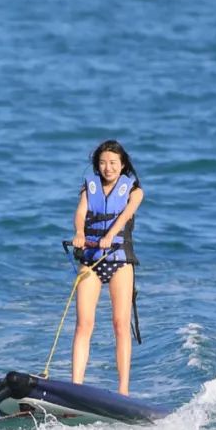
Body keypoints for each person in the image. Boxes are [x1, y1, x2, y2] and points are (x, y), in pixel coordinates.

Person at [71, 140, 144, 396]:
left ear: (122, 165)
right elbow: (80, 213)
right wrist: (80, 233)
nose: (108, 167)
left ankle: (123, 389)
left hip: (119, 260)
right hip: (90, 259)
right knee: (84, 323)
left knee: (120, 324)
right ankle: (76, 387)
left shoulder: (134, 191)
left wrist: (110, 235)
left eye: (113, 163)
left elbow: (124, 217)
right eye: (103, 163)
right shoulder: (88, 189)